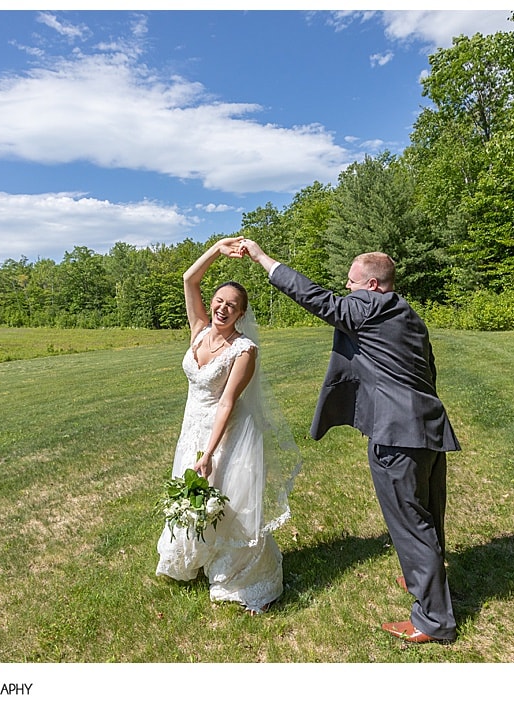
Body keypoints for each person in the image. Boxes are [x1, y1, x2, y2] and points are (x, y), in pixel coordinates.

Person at [238, 239, 460, 643]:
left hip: (396, 433)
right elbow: (428, 368)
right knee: (428, 512)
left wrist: (261, 258)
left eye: (352, 283)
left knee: (410, 524)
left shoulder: (369, 306)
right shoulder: (407, 312)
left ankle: (433, 620)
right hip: (426, 426)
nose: (347, 288)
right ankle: (426, 579)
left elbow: (316, 299)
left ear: (373, 286)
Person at [155, 237, 299, 615]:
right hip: (192, 426)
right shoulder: (199, 330)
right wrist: (218, 249)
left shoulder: (244, 350)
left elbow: (227, 402)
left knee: (227, 498)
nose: (222, 308)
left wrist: (209, 453)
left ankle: (247, 577)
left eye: (231, 306)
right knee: (194, 495)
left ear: (240, 314)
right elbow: (189, 280)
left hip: (224, 431)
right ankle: (197, 557)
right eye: (219, 301)